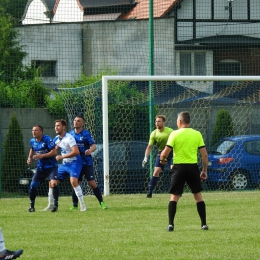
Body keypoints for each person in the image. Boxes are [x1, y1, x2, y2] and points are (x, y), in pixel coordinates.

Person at [159, 111, 208, 231]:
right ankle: (204, 224)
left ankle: (171, 225)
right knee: (198, 196)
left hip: (179, 168)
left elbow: (164, 153)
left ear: (179, 122)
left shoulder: (174, 134)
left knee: (174, 197)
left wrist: (162, 160)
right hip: (192, 167)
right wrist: (204, 170)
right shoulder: (197, 134)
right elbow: (204, 155)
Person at [44, 119, 86, 212]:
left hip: (75, 163)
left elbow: (76, 152)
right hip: (65, 164)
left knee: (74, 181)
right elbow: (53, 150)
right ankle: (50, 205)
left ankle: (83, 206)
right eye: (55, 126)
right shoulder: (56, 139)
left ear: (63, 127)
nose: (56, 128)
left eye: (58, 126)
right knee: (52, 182)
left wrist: (62, 156)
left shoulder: (69, 138)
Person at [69, 116, 107, 210]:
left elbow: (94, 146)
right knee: (75, 183)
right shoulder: (70, 135)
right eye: (75, 120)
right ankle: (74, 205)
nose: (76, 122)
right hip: (75, 163)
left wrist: (90, 150)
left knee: (92, 183)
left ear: (82, 123)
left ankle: (102, 203)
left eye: (78, 121)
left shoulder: (86, 134)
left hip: (86, 163)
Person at [27, 125, 58, 212]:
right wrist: (29, 158)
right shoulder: (32, 141)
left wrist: (42, 155)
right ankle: (32, 206)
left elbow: (54, 152)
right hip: (41, 168)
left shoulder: (47, 139)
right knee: (33, 186)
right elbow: (32, 149)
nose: (34, 132)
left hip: (51, 167)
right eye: (33, 130)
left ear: (41, 132)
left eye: (36, 130)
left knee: (54, 183)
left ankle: (55, 205)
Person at [142, 115, 174, 198]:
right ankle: (149, 193)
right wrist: (145, 157)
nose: (157, 123)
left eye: (159, 121)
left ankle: (177, 191)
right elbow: (149, 146)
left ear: (163, 122)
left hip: (172, 153)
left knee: (173, 169)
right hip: (161, 154)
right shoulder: (154, 133)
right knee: (156, 171)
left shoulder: (170, 131)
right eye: (156, 121)